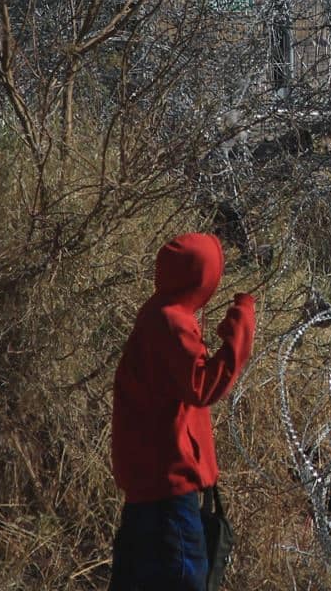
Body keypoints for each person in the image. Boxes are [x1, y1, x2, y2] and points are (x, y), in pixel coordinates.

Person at [110, 232, 255, 591]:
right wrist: (242, 328)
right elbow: (203, 386)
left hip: (152, 487)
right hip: (168, 492)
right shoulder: (171, 323)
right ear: (202, 279)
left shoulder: (160, 313)